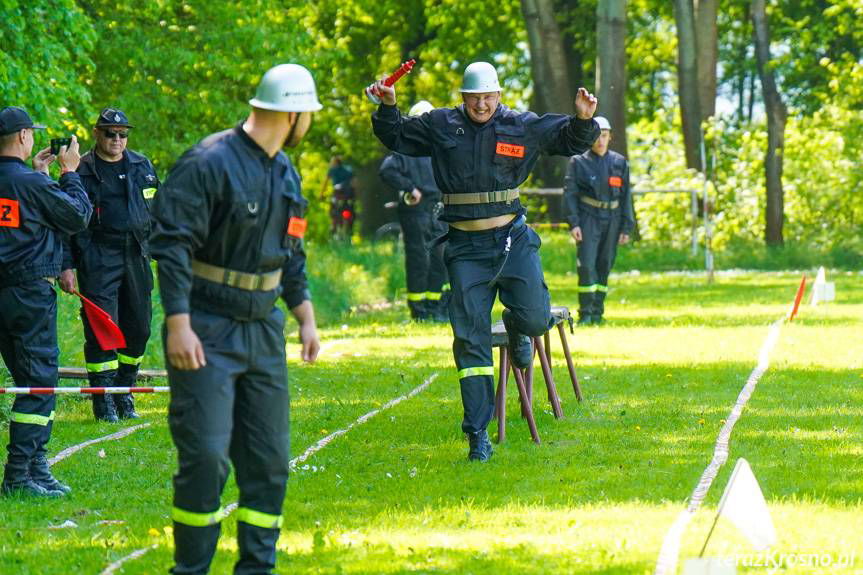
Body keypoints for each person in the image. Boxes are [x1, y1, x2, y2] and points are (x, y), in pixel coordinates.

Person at [371, 62, 598, 461]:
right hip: (464, 249)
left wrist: (582, 119)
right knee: (470, 341)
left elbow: (567, 140)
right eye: (474, 97)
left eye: (488, 96)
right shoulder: (441, 125)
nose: (481, 104)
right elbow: (397, 136)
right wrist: (388, 107)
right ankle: (477, 431)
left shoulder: (521, 124)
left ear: (498, 95)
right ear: (463, 97)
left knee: (534, 318)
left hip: (512, 240)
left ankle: (518, 327)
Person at [149, 63, 322, 575]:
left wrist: (305, 318)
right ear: (292, 115)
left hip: (264, 332)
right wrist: (179, 323)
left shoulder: (285, 171)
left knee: (268, 463)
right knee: (205, 458)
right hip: (205, 327)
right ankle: (191, 569)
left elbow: (292, 252)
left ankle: (256, 569)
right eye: (307, 114)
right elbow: (172, 245)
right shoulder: (208, 163)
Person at [0, 106, 92, 496]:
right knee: (38, 381)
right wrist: (69, 173)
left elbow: (24, 219)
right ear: (23, 137)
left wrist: (40, 175)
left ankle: (36, 465)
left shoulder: (25, 182)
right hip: (28, 293)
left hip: (5, 292)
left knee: (28, 381)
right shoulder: (30, 184)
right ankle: (19, 477)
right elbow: (77, 216)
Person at [59, 108, 160, 422]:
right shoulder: (81, 170)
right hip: (98, 256)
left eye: (122, 134)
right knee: (103, 328)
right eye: (110, 133)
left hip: (136, 254)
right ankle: (103, 402)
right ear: (96, 134)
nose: (117, 139)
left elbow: (159, 211)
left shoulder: (142, 165)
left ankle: (124, 392)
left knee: (139, 328)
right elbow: (65, 222)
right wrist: (66, 266)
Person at [378, 100, 449, 322]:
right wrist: (410, 188)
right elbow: (387, 171)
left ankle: (436, 307)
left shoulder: (440, 148)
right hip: (415, 210)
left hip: (438, 210)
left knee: (440, 259)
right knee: (419, 260)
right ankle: (419, 311)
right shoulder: (404, 149)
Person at [563, 116, 634, 325]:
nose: (600, 140)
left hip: (612, 219)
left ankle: (597, 312)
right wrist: (574, 222)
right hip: (588, 218)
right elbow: (570, 194)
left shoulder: (619, 163)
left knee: (604, 264)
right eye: (596, 136)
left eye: (604, 135)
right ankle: (585, 313)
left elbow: (626, 196)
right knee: (586, 265)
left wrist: (626, 227)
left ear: (610, 137)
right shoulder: (578, 161)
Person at [322, 155, 355, 240]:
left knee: (333, 212)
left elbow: (325, 183)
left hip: (337, 195)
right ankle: (350, 232)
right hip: (348, 196)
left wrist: (321, 194)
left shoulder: (332, 170)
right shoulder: (348, 170)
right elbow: (354, 183)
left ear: (335, 162)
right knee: (350, 211)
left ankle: (334, 228)